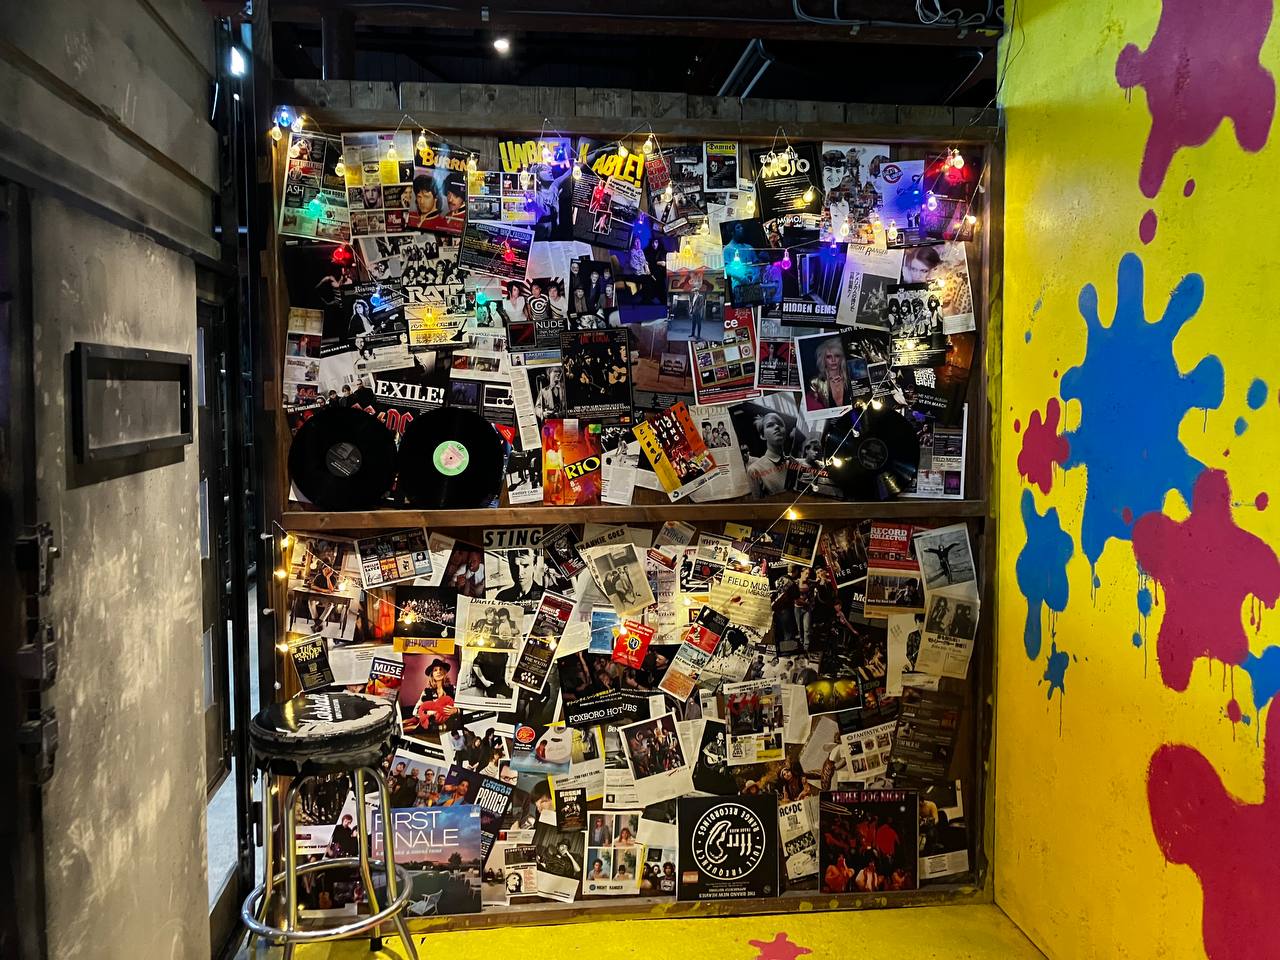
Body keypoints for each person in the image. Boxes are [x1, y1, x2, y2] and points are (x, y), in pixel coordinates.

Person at [746, 410, 794, 496]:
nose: (777, 426)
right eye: (770, 425)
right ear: (762, 436)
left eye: (780, 424)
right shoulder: (755, 470)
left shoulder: (794, 462)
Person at [805, 336, 852, 411]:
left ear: (842, 358)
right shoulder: (815, 382)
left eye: (837, 356)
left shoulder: (851, 378)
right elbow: (813, 410)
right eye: (829, 357)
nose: (833, 360)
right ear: (823, 360)